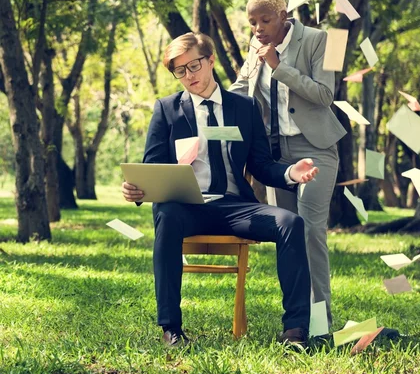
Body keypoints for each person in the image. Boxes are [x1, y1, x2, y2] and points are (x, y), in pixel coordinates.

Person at [122, 32, 320, 348]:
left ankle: (295, 331)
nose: (189, 76)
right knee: (168, 216)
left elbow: (261, 165)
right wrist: (138, 190)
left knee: (290, 222)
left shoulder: (244, 108)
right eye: (180, 70)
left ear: (210, 60)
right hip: (186, 207)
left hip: (234, 208)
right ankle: (171, 329)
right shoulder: (167, 110)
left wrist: (290, 174)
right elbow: (153, 168)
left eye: (194, 66)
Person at [230, 0, 346, 328]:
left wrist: (279, 67)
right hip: (275, 155)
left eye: (265, 20)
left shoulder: (319, 39)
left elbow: (325, 95)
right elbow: (240, 89)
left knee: (311, 230)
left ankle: (321, 321)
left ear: (283, 15)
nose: (258, 29)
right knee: (288, 233)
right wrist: (208, 99)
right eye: (252, 23)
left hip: (316, 148)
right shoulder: (255, 47)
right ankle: (298, 321)